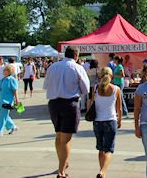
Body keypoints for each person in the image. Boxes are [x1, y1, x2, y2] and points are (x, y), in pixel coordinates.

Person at [43, 46, 90, 178]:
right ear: (76, 56)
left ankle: (62, 162)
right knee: (66, 140)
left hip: (54, 103)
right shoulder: (77, 68)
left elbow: (46, 85)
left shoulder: (53, 67)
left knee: (58, 137)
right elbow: (85, 88)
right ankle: (61, 170)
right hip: (70, 103)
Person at [91, 67, 122, 178]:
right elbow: (119, 108)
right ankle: (102, 172)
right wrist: (120, 120)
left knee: (100, 149)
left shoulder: (95, 88)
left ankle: (102, 171)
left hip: (97, 121)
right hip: (110, 120)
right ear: (111, 75)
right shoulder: (116, 89)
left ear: (100, 75)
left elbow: (90, 103)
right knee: (109, 150)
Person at [0, 64, 19, 137]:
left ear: (9, 71)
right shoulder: (2, 79)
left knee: (2, 116)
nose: (3, 71)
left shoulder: (11, 80)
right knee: (4, 115)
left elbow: (15, 90)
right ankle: (12, 126)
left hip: (6, 101)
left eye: (5, 70)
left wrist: (16, 100)